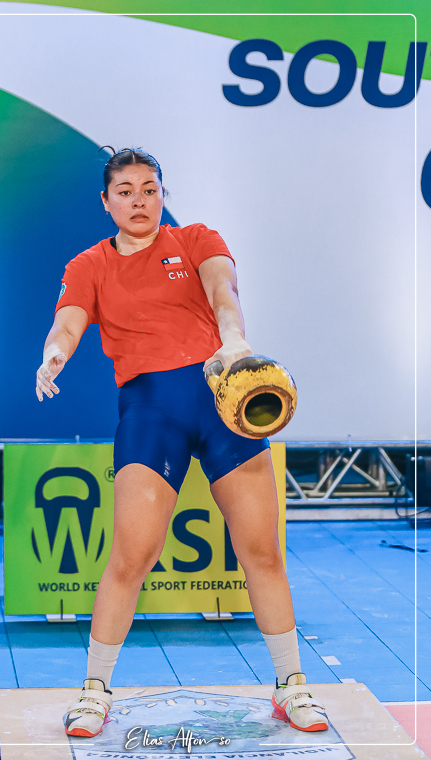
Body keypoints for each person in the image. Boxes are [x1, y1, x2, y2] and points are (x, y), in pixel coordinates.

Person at [36, 148, 329, 738]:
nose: (138, 200)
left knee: (262, 552)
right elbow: (67, 322)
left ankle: (292, 685)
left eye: (149, 189)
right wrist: (55, 354)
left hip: (223, 402)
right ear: (106, 201)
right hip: (151, 412)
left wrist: (234, 338)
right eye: (125, 191)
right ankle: (94, 692)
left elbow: (224, 292)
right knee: (131, 557)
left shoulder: (196, 239)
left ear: (162, 195)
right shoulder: (89, 264)